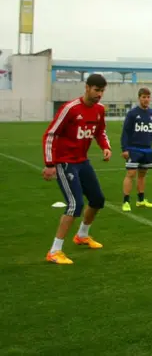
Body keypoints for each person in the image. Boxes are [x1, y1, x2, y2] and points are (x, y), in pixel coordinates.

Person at [41, 74, 112, 264]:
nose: (99, 94)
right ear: (87, 88)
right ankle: (54, 251)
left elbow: (100, 131)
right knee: (75, 205)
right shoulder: (70, 109)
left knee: (97, 200)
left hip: (82, 161)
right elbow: (50, 134)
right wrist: (49, 164)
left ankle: (82, 235)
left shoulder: (99, 110)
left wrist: (105, 146)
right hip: (65, 162)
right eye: (96, 90)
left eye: (102, 91)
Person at [120, 87, 152, 212]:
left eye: (148, 97)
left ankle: (140, 200)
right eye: (143, 97)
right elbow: (126, 132)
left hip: (147, 149)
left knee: (142, 175)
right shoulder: (133, 113)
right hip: (134, 149)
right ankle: (126, 201)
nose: (146, 99)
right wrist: (125, 149)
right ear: (139, 98)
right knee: (131, 174)